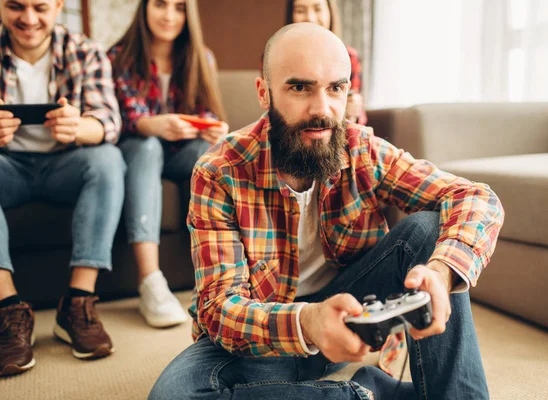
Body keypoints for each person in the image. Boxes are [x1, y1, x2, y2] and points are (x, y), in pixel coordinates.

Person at [149, 23, 504, 399]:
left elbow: (475, 197)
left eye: (335, 88)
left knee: (427, 229)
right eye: (300, 87)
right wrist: (308, 321)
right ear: (264, 93)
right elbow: (219, 308)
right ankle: (367, 393)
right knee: (175, 395)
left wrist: (442, 272)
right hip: (266, 336)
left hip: (355, 319)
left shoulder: (362, 148)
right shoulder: (218, 170)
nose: (322, 110)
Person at [0, 0, 125, 376]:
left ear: (58, 5)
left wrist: (80, 127)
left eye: (40, 6)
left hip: (66, 166)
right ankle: (7, 309)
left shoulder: (85, 51)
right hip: (7, 168)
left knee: (107, 160)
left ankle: (78, 302)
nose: (29, 19)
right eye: (15, 6)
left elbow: (108, 122)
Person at [108, 0, 229, 328]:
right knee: (146, 147)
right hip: (136, 152)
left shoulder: (201, 57)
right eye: (160, 4)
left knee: (212, 154)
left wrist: (211, 126)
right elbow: (122, 119)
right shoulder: (117, 57)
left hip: (179, 152)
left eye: (178, 7)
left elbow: (208, 110)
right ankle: (151, 281)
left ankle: (221, 277)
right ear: (144, 8)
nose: (169, 16)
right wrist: (157, 124)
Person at [286, 0, 366, 124]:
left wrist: (353, 110)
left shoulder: (349, 57)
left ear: (330, 13)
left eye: (317, 9)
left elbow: (358, 116)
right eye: (300, 10)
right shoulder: (276, 58)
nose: (310, 18)